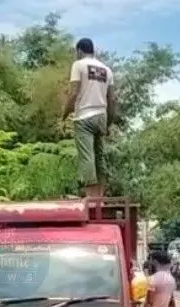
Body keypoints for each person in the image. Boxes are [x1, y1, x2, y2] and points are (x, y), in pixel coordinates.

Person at [61, 37, 117, 199]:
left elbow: (74, 93)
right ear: (93, 50)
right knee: (99, 156)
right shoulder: (107, 70)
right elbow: (112, 99)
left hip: (84, 117)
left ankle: (91, 199)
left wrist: (64, 114)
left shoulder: (78, 65)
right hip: (101, 116)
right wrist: (109, 122)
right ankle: (100, 197)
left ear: (79, 50)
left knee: (87, 156)